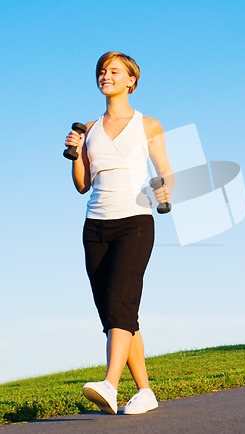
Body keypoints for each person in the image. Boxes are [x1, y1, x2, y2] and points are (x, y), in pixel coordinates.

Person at [64, 51, 174, 415]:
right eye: (101, 71)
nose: (105, 76)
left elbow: (165, 172)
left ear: (131, 81)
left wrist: (164, 187)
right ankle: (144, 391)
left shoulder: (148, 125)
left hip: (135, 222)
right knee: (115, 312)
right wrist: (77, 153)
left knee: (120, 302)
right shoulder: (89, 129)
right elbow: (82, 184)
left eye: (113, 71)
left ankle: (109, 385)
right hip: (94, 226)